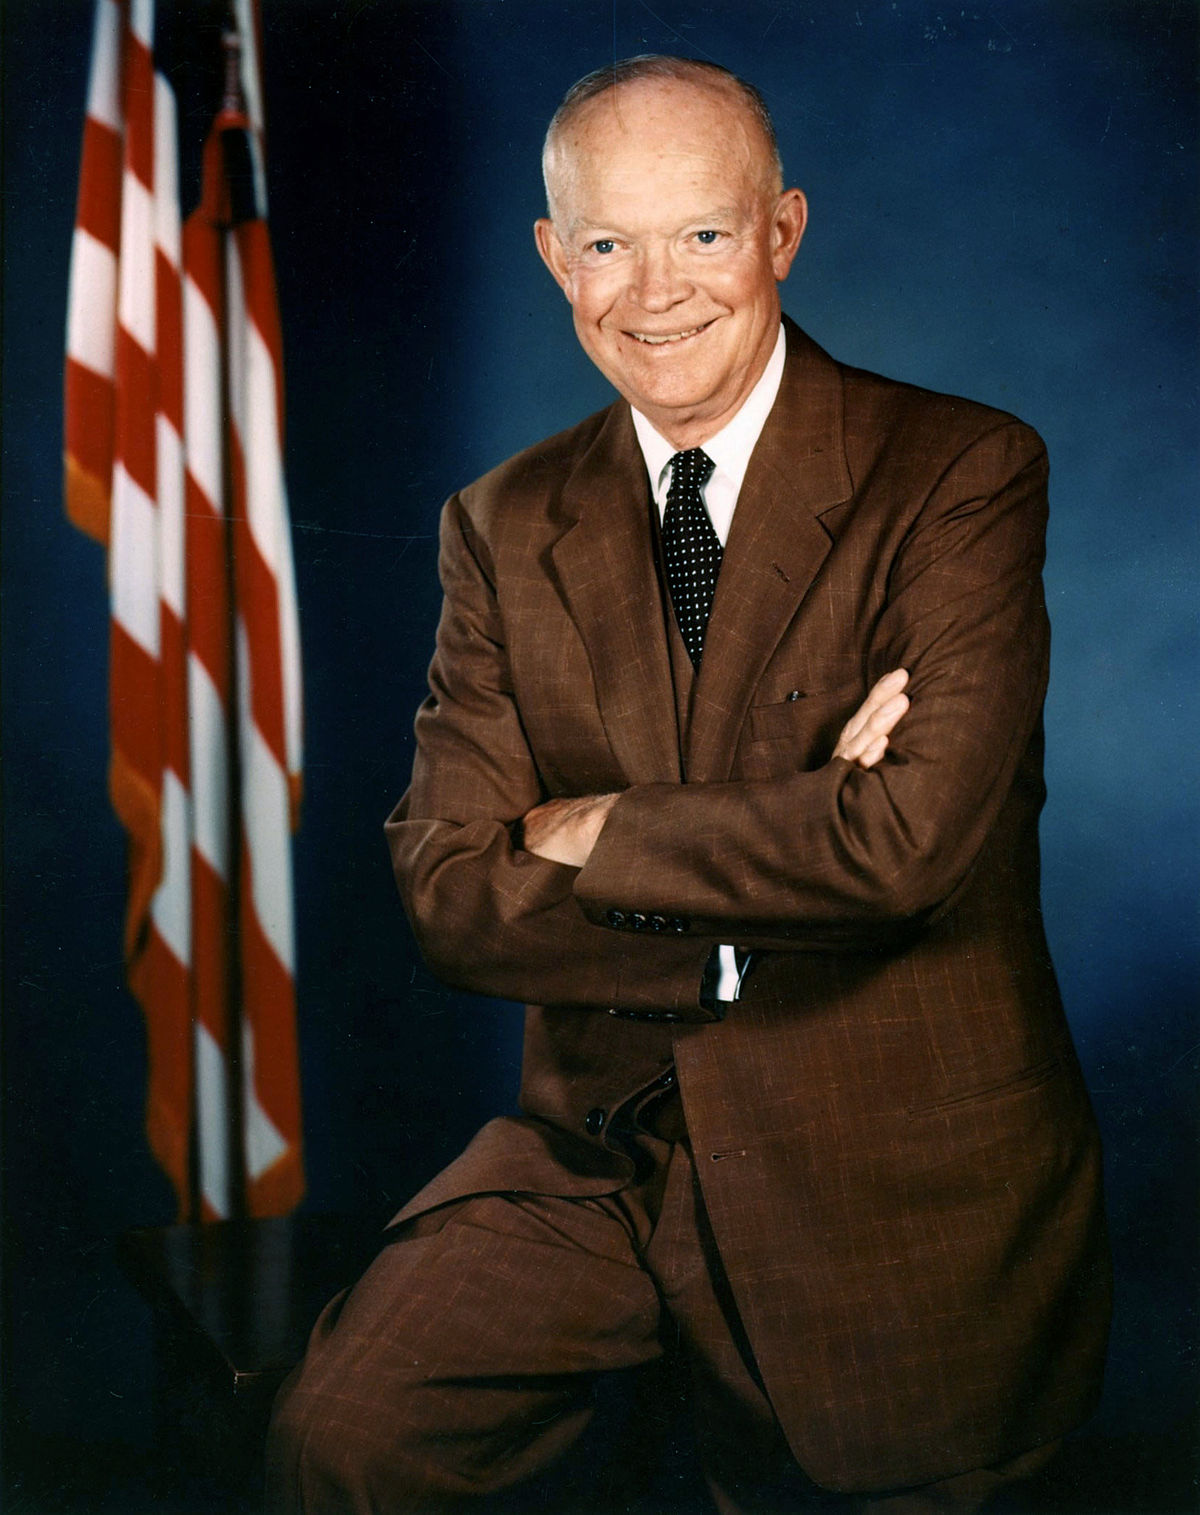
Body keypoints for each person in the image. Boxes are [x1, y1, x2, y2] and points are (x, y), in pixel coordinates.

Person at [268, 56, 1110, 1514]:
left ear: (782, 231)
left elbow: (906, 847)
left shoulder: (960, 470)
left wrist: (592, 830)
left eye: (703, 235)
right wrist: (797, 834)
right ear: (552, 256)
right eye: (608, 243)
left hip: (887, 1166)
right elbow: (450, 896)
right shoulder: (500, 521)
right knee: (336, 1441)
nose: (655, 293)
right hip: (604, 1155)